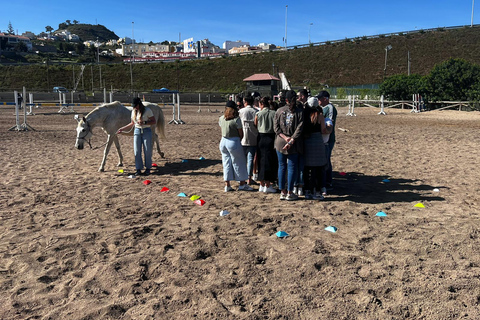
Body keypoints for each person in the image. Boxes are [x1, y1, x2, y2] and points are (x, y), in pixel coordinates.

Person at [274, 89, 304, 201]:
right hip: (293, 143)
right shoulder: (299, 112)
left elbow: (276, 128)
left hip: (280, 141)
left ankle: (282, 191)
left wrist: (285, 137)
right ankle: (290, 192)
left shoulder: (279, 111)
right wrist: (291, 140)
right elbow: (299, 129)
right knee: (292, 167)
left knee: (281, 167)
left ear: (285, 99)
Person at [219, 101, 253, 192]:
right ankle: (242, 183)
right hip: (233, 141)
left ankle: (227, 184)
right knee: (239, 162)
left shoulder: (221, 118)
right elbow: (240, 134)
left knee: (226, 163)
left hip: (223, 141)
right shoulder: (236, 119)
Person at [117, 97, 156, 176]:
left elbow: (153, 121)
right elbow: (132, 123)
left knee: (147, 151)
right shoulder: (133, 111)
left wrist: (145, 122)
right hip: (137, 131)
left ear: (139, 104)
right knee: (137, 151)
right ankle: (138, 169)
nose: (135, 107)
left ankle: (148, 168)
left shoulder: (147, 110)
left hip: (146, 131)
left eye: (136, 106)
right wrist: (122, 129)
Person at [302, 96, 331, 200]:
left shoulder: (304, 114)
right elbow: (323, 130)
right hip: (317, 141)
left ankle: (307, 191)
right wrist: (329, 129)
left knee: (306, 168)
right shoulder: (320, 115)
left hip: (307, 141)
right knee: (317, 168)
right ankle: (317, 191)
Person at [254, 96, 277, 193]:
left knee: (260, 159)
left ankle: (261, 183)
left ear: (261, 104)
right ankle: (268, 184)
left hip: (260, 136)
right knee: (269, 161)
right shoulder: (274, 113)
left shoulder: (258, 113)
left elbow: (255, 124)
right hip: (270, 137)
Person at [318, 91, 337, 189]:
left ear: (325, 98)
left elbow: (330, 121)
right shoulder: (321, 108)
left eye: (320, 99)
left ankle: (328, 181)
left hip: (329, 138)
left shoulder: (330, 108)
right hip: (323, 137)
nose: (319, 101)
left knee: (327, 159)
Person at [239, 95, 259, 185]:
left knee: (242, 159)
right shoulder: (256, 112)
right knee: (251, 158)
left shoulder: (241, 111)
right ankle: (249, 178)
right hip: (253, 137)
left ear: (245, 101)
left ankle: (241, 178)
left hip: (243, 137)